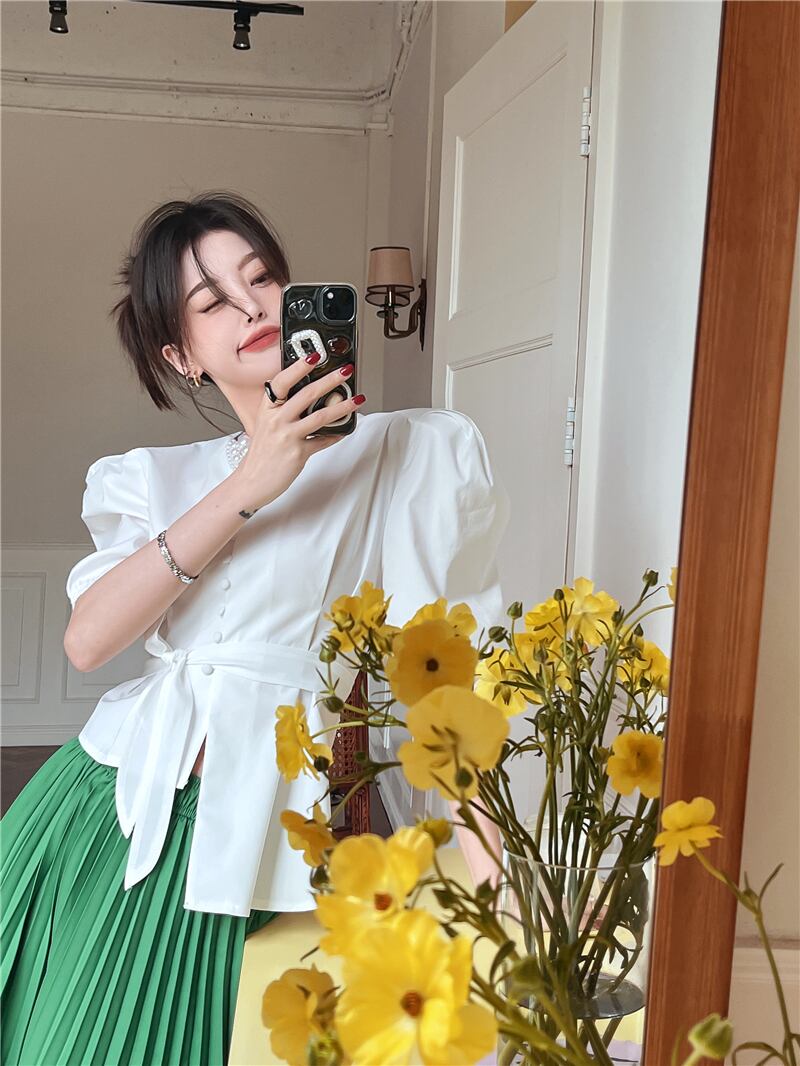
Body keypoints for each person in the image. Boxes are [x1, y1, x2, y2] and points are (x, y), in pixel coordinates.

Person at [0, 191, 509, 1065]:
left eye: (263, 278)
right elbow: (88, 643)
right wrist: (252, 481)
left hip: (287, 832)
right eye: (212, 302)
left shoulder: (405, 457)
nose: (251, 307)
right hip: (118, 806)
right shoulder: (152, 478)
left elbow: (444, 689)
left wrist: (502, 887)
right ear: (182, 356)